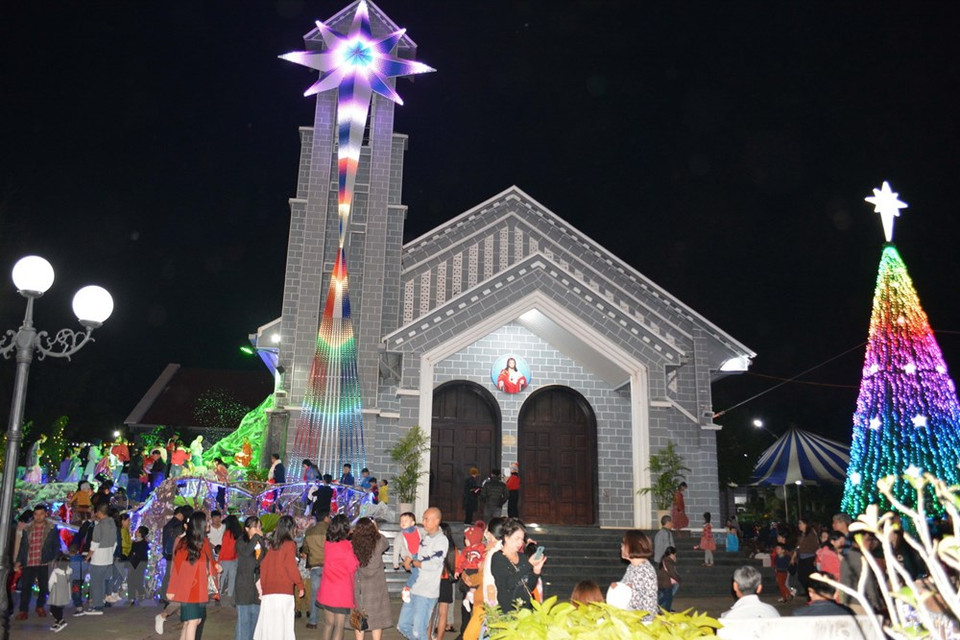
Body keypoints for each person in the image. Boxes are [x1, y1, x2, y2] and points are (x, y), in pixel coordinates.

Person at [398, 507, 449, 640]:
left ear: (437, 521)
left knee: (419, 631)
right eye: (423, 519)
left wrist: (414, 562)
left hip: (427, 593)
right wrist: (409, 561)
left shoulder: (441, 540)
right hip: (415, 588)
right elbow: (418, 558)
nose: (423, 522)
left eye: (427, 519)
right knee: (403, 625)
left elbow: (434, 564)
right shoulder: (425, 537)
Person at [167, 511, 218, 640]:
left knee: (192, 621)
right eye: (206, 521)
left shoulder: (204, 541)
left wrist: (216, 566)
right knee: (193, 621)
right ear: (199, 524)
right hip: (189, 588)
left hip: (200, 588)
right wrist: (172, 589)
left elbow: (209, 561)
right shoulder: (185, 543)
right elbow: (176, 569)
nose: (208, 523)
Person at [253, 515, 303, 640]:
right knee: (283, 627)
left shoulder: (272, 546)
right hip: (283, 592)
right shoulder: (290, 544)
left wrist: (264, 587)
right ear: (291, 529)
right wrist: (300, 585)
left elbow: (263, 566)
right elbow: (290, 567)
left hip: (268, 592)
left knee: (269, 626)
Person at [14, 504, 61, 619]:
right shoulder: (27, 528)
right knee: (26, 587)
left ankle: (40, 606)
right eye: (36, 514)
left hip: (44, 562)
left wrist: (54, 559)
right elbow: (23, 546)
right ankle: (23, 610)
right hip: (29, 561)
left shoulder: (51, 528)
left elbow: (56, 545)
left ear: (45, 514)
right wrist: (18, 561)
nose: (38, 517)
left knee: (44, 587)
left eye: (41, 514)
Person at [316, 514, 358, 640]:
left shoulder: (328, 543)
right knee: (339, 626)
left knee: (329, 624)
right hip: (341, 592)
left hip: (327, 589)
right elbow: (353, 566)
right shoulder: (346, 546)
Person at [490, 518, 545, 612]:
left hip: (525, 611)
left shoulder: (523, 557)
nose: (520, 543)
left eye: (522, 539)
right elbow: (507, 584)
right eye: (517, 538)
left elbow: (529, 587)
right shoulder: (498, 558)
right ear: (506, 537)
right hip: (508, 612)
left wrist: (536, 571)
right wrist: (528, 564)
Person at [351, 517, 392, 640]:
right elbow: (386, 543)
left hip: (359, 587)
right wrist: (376, 529)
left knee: (359, 616)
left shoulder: (352, 544)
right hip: (376, 586)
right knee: (377, 619)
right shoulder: (379, 542)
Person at [156, 505, 193, 633]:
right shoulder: (178, 528)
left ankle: (176, 611)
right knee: (178, 593)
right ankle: (166, 612)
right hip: (177, 561)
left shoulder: (170, 524)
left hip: (172, 558)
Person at [609, 530, 657, 620]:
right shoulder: (632, 567)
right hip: (628, 618)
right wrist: (617, 586)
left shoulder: (646, 570)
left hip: (639, 623)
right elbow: (624, 585)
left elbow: (649, 605)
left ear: (633, 546)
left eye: (624, 544)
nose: (621, 547)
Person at [81, 502, 116, 616]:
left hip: (98, 559)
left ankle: (97, 606)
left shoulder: (99, 526)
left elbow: (94, 544)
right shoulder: (113, 524)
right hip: (109, 558)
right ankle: (101, 602)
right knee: (102, 582)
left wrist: (88, 557)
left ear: (100, 513)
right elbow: (115, 542)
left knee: (96, 583)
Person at [235, 516, 265, 640]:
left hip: (257, 586)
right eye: (255, 527)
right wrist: (257, 537)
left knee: (255, 621)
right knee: (244, 622)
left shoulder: (259, 542)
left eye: (259, 527)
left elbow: (262, 559)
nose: (258, 529)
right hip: (244, 585)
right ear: (247, 528)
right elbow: (246, 552)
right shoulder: (241, 541)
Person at [455, 521, 486, 637]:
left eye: (467, 539)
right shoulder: (465, 551)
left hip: (477, 576)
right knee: (465, 607)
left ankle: (475, 632)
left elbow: (484, 561)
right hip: (467, 575)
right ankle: (465, 631)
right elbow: (461, 562)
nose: (465, 541)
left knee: (477, 607)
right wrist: (458, 571)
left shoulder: (483, 548)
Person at [302, 511, 330, 630]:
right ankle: (330, 621)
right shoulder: (330, 531)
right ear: (325, 518)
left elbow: (305, 550)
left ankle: (313, 621)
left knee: (315, 595)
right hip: (329, 566)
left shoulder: (310, 532)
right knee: (330, 595)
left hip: (315, 567)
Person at [431, 522, 458, 640]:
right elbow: (457, 565)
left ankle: (429, 636)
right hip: (446, 581)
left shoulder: (435, 544)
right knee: (443, 614)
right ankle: (439, 638)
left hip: (433, 580)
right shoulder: (453, 548)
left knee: (431, 612)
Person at [392, 511, 422, 604]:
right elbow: (396, 550)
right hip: (409, 557)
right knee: (416, 573)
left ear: (413, 523)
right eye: (401, 521)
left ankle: (416, 593)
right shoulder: (400, 536)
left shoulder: (419, 530)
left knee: (421, 575)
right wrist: (395, 563)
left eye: (406, 520)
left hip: (421, 555)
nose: (403, 522)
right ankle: (407, 588)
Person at [219, 515, 242, 605]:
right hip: (235, 558)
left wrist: (220, 559)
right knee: (232, 577)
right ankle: (230, 594)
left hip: (226, 558)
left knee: (222, 577)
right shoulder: (238, 533)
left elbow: (224, 547)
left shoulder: (227, 533)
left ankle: (219, 593)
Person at [793, 517, 819, 597]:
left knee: (807, 576)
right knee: (801, 576)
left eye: (801, 523)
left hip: (809, 558)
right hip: (802, 557)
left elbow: (816, 546)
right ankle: (809, 591)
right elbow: (798, 546)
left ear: (806, 524)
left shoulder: (811, 534)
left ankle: (810, 593)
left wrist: (816, 558)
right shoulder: (802, 535)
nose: (799, 525)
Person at [47, 552, 72, 632]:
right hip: (64, 593)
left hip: (56, 594)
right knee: (59, 608)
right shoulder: (68, 571)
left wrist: (50, 590)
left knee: (54, 608)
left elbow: (50, 583)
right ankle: (58, 621)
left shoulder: (55, 572)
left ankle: (60, 620)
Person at [128, 525, 150, 605]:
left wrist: (135, 554)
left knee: (137, 580)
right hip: (133, 563)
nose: (136, 532)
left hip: (140, 564)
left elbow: (141, 555)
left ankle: (141, 593)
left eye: (138, 531)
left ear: (141, 533)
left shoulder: (143, 543)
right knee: (130, 580)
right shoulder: (134, 542)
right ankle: (131, 597)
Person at [657, 545, 680, 612]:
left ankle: (666, 609)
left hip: (663, 582)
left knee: (667, 597)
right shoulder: (668, 561)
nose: (675, 556)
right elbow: (672, 573)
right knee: (667, 597)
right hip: (666, 583)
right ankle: (657, 607)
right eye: (675, 555)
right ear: (672, 554)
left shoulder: (665, 560)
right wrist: (678, 579)